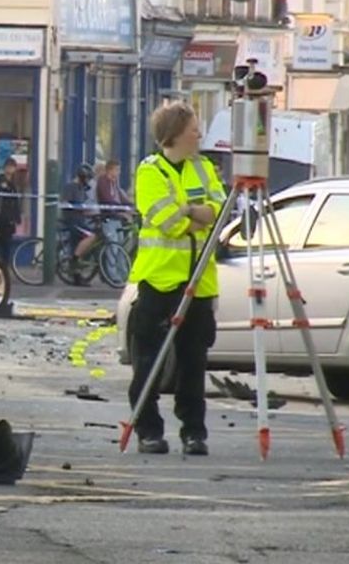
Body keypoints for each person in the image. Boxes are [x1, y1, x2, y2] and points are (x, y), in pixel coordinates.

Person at [127, 102, 226, 456]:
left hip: (199, 282)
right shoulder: (150, 171)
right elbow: (167, 220)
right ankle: (148, 430)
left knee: (193, 364)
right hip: (159, 281)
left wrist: (189, 211)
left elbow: (218, 211)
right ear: (175, 133)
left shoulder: (203, 168)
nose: (199, 134)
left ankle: (193, 432)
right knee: (149, 363)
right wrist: (190, 214)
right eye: (193, 128)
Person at [61, 163, 98, 285]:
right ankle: (74, 260)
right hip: (73, 220)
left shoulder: (82, 188)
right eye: (87, 178)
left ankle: (77, 277)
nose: (87, 182)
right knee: (91, 236)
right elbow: (66, 204)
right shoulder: (71, 187)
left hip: (80, 220)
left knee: (77, 245)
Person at [0, 158, 22, 265]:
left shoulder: (14, 183)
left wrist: (17, 218)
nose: (10, 169)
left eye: (12, 167)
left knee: (7, 245)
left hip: (9, 220)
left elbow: (15, 201)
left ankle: (5, 266)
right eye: (8, 166)